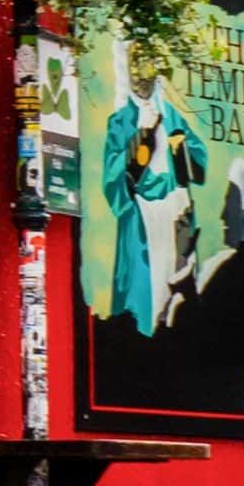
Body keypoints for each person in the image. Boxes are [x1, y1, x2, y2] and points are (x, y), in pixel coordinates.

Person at [101, 55, 208, 335]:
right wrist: (134, 155)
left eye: (147, 65)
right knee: (143, 297)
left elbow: (199, 162)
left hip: (175, 213)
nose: (142, 75)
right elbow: (112, 181)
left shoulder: (172, 115)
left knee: (177, 291)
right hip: (142, 220)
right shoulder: (121, 121)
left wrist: (181, 149)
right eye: (136, 66)